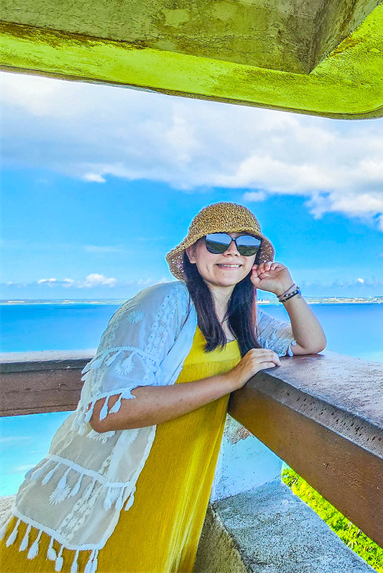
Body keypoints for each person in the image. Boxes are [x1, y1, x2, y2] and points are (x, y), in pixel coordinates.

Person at [1, 202, 327, 573]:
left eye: (247, 245)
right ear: (191, 251)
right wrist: (232, 379)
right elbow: (107, 411)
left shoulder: (243, 316)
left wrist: (286, 289)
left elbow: (311, 343)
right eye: (218, 241)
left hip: (184, 476)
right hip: (130, 482)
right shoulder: (164, 302)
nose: (233, 251)